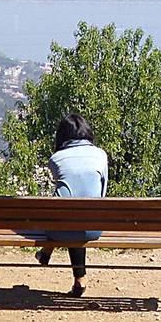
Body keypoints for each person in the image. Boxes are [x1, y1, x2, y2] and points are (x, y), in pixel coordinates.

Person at [34, 113, 107, 298]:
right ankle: (79, 280)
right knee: (79, 215)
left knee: (66, 214)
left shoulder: (56, 159)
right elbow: (102, 192)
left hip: (59, 227)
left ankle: (46, 251)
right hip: (93, 228)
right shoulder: (100, 155)